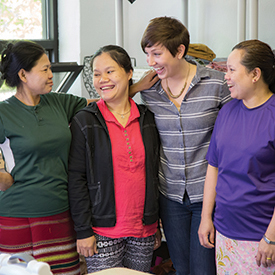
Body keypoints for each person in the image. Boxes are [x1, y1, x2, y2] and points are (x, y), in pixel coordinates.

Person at [130, 16, 231, 275]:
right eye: (147, 54)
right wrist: (135, 88)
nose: (150, 62)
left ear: (180, 51)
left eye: (156, 54)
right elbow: (108, 101)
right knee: (182, 268)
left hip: (208, 194)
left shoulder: (216, 84)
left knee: (203, 269)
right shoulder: (149, 89)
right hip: (170, 194)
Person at [67, 45, 161, 273]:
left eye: (110, 72)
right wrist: (83, 231)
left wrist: (155, 223)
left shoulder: (147, 118)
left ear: (129, 73)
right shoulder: (85, 121)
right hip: (101, 230)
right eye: (97, 74)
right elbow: (76, 179)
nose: (102, 79)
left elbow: (155, 172)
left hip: (143, 230)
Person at [0, 41, 87, 275]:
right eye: (45, 69)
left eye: (51, 68)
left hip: (60, 209)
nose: (51, 75)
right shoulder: (3, 112)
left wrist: (136, 86)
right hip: (17, 214)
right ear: (23, 74)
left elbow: (106, 104)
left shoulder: (60, 102)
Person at [198, 39, 275, 274]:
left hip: (261, 236)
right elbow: (214, 166)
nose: (226, 76)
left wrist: (271, 237)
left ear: (255, 74)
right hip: (224, 231)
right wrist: (205, 217)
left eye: (232, 70)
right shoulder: (227, 111)